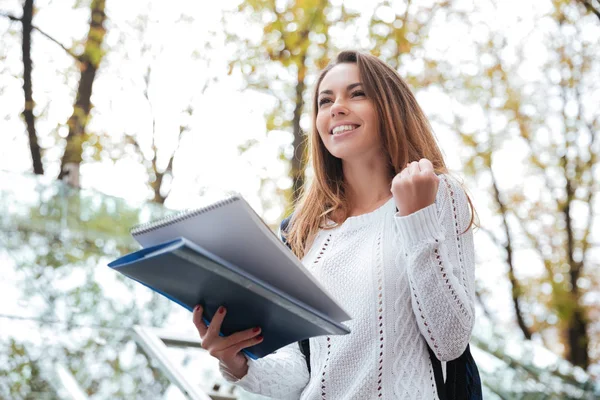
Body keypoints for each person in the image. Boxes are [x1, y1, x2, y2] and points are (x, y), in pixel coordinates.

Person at [192, 50, 477, 399]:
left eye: (357, 93)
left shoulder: (435, 192)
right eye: (325, 101)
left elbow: (450, 342)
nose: (336, 108)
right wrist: (239, 363)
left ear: (392, 107)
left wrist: (416, 219)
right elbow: (303, 372)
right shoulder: (303, 230)